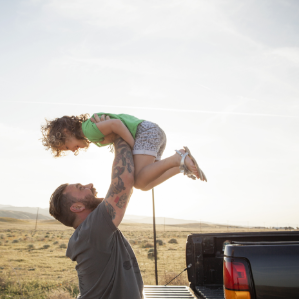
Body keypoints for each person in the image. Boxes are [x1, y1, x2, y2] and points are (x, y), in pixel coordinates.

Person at [49, 137, 143, 299]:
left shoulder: (91, 231)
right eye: (81, 188)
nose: (90, 185)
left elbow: (123, 188)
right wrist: (117, 136)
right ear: (77, 207)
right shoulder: (92, 231)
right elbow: (123, 183)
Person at [41, 112, 207, 191]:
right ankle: (180, 166)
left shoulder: (88, 131)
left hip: (145, 133)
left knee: (138, 179)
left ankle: (178, 158)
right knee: (143, 184)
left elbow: (117, 125)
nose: (72, 150)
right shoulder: (91, 132)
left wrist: (134, 146)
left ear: (65, 131)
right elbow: (113, 132)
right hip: (152, 132)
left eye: (67, 147)